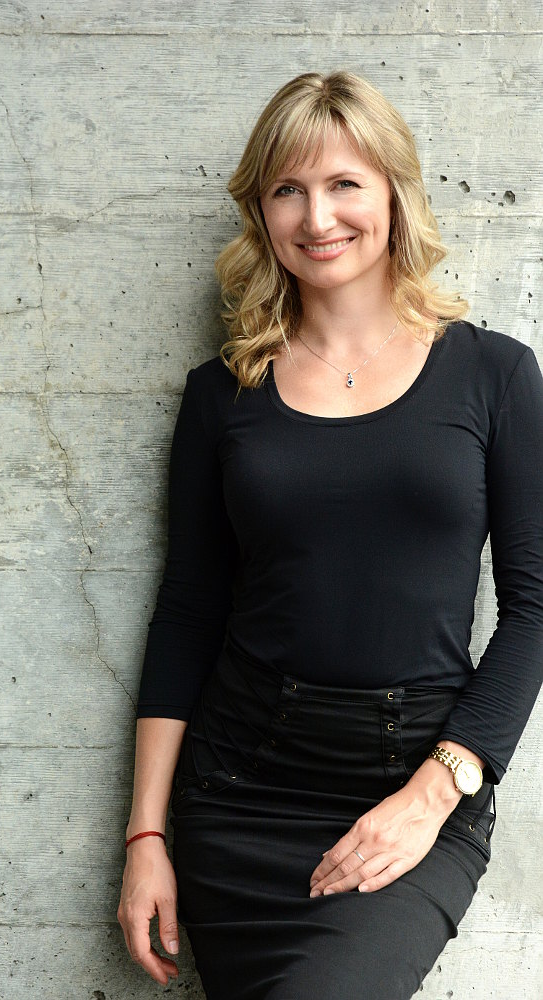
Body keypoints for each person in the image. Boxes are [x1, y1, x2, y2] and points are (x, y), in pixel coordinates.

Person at [117, 70, 543, 1000]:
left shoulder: (495, 376)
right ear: (260, 211)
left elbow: (535, 608)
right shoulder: (221, 395)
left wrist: (432, 794)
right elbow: (187, 613)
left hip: (410, 789)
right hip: (239, 794)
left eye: (344, 183)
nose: (317, 217)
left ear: (393, 192)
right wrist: (145, 836)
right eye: (288, 189)